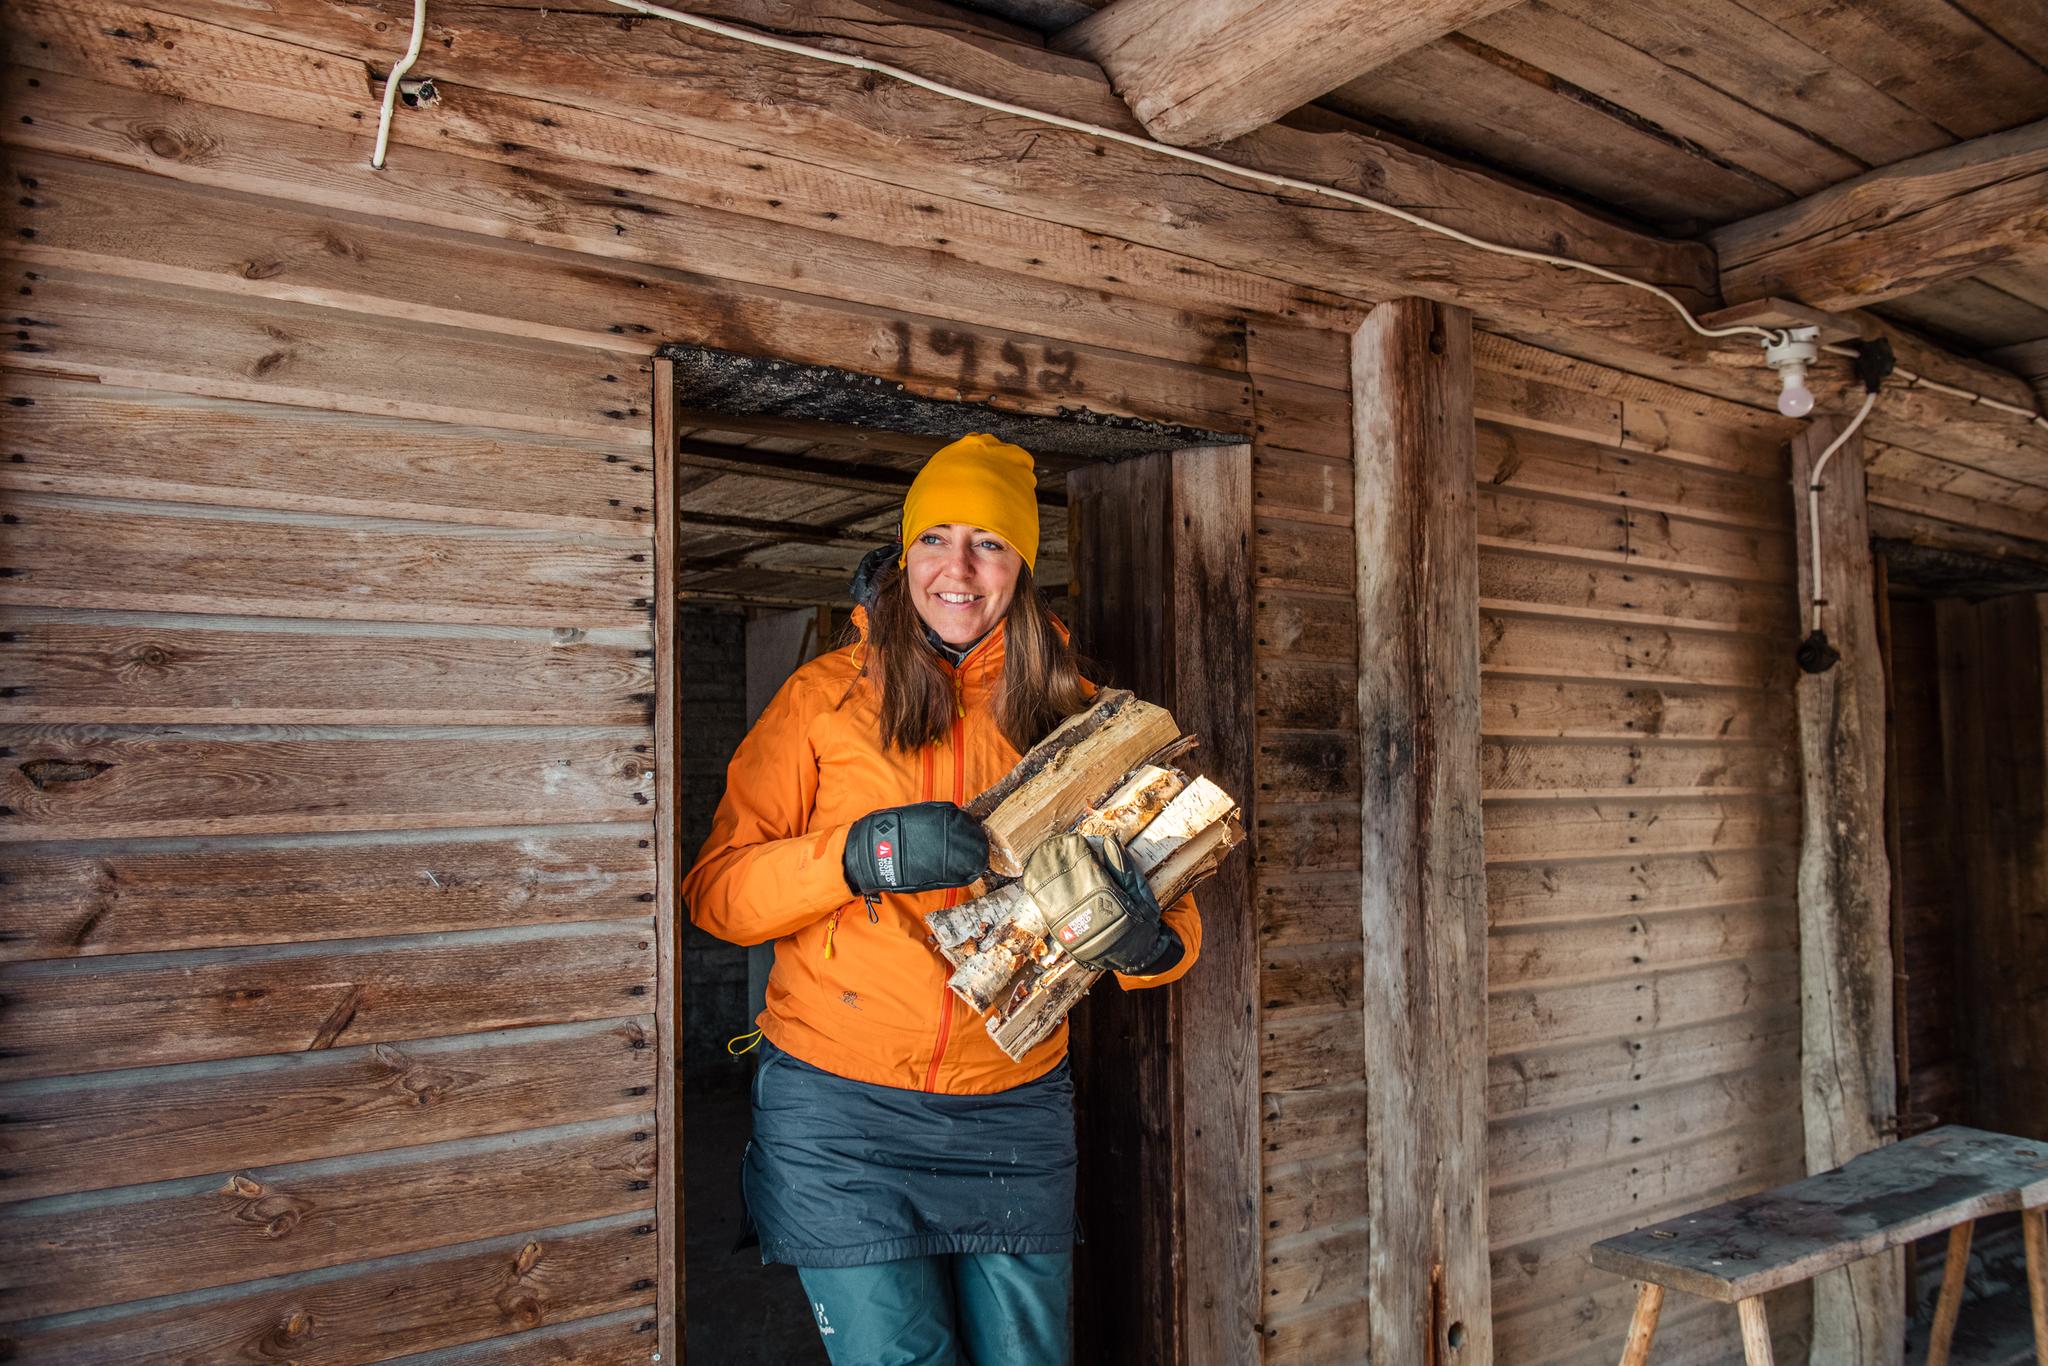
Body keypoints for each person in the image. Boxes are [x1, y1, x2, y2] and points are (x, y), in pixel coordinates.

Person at [683, 432, 1202, 1365]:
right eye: (936, 538)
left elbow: (1177, 922)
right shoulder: (823, 700)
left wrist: (1146, 945)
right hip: (839, 1108)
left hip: (1012, 1102)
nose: (958, 569)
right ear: (905, 551)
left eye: (990, 543)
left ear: (1023, 568)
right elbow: (717, 893)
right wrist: (861, 855)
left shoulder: (1081, 717)